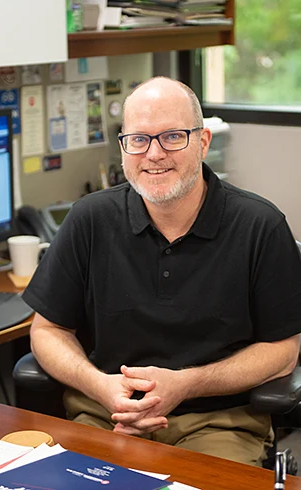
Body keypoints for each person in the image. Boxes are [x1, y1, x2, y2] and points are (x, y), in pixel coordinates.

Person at [22, 76, 301, 466]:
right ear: (123, 148)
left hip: (216, 424)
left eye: (172, 137)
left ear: (202, 142)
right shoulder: (90, 219)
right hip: (105, 416)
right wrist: (101, 387)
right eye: (138, 139)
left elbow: (283, 353)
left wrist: (187, 384)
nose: (153, 154)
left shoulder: (260, 226)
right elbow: (47, 330)